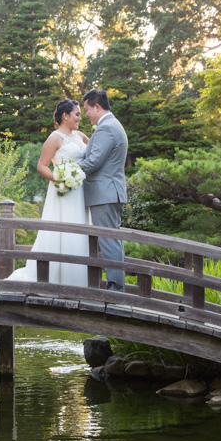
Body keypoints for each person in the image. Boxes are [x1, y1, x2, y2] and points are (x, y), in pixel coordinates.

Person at [6, 100, 91, 286]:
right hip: (63, 191)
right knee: (63, 231)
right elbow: (41, 166)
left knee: (79, 232)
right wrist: (61, 179)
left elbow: (95, 150)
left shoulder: (80, 136)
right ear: (65, 116)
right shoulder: (55, 138)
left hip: (80, 192)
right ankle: (55, 278)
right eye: (77, 114)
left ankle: (77, 281)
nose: (80, 118)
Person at [78, 89, 128, 292]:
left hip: (104, 193)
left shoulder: (106, 128)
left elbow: (94, 161)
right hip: (108, 192)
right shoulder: (112, 125)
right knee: (111, 240)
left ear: (97, 107)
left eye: (87, 109)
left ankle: (116, 290)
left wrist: (66, 171)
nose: (86, 114)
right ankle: (117, 286)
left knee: (108, 241)